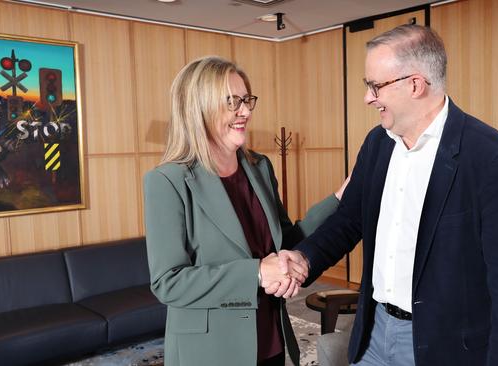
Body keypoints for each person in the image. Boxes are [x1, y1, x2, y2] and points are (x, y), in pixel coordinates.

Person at [274, 24, 498, 365]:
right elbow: (349, 220)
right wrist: (306, 258)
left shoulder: (493, 159)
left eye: (375, 86)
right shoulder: (376, 144)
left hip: (446, 347)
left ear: (415, 84)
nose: (368, 98)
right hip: (373, 332)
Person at [143, 56, 348, 366]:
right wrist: (256, 272)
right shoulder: (166, 181)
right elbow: (168, 283)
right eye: (233, 102)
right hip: (212, 351)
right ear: (199, 108)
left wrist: (340, 197)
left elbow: (284, 243)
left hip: (271, 338)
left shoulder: (259, 167)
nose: (246, 111)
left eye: (247, 100)